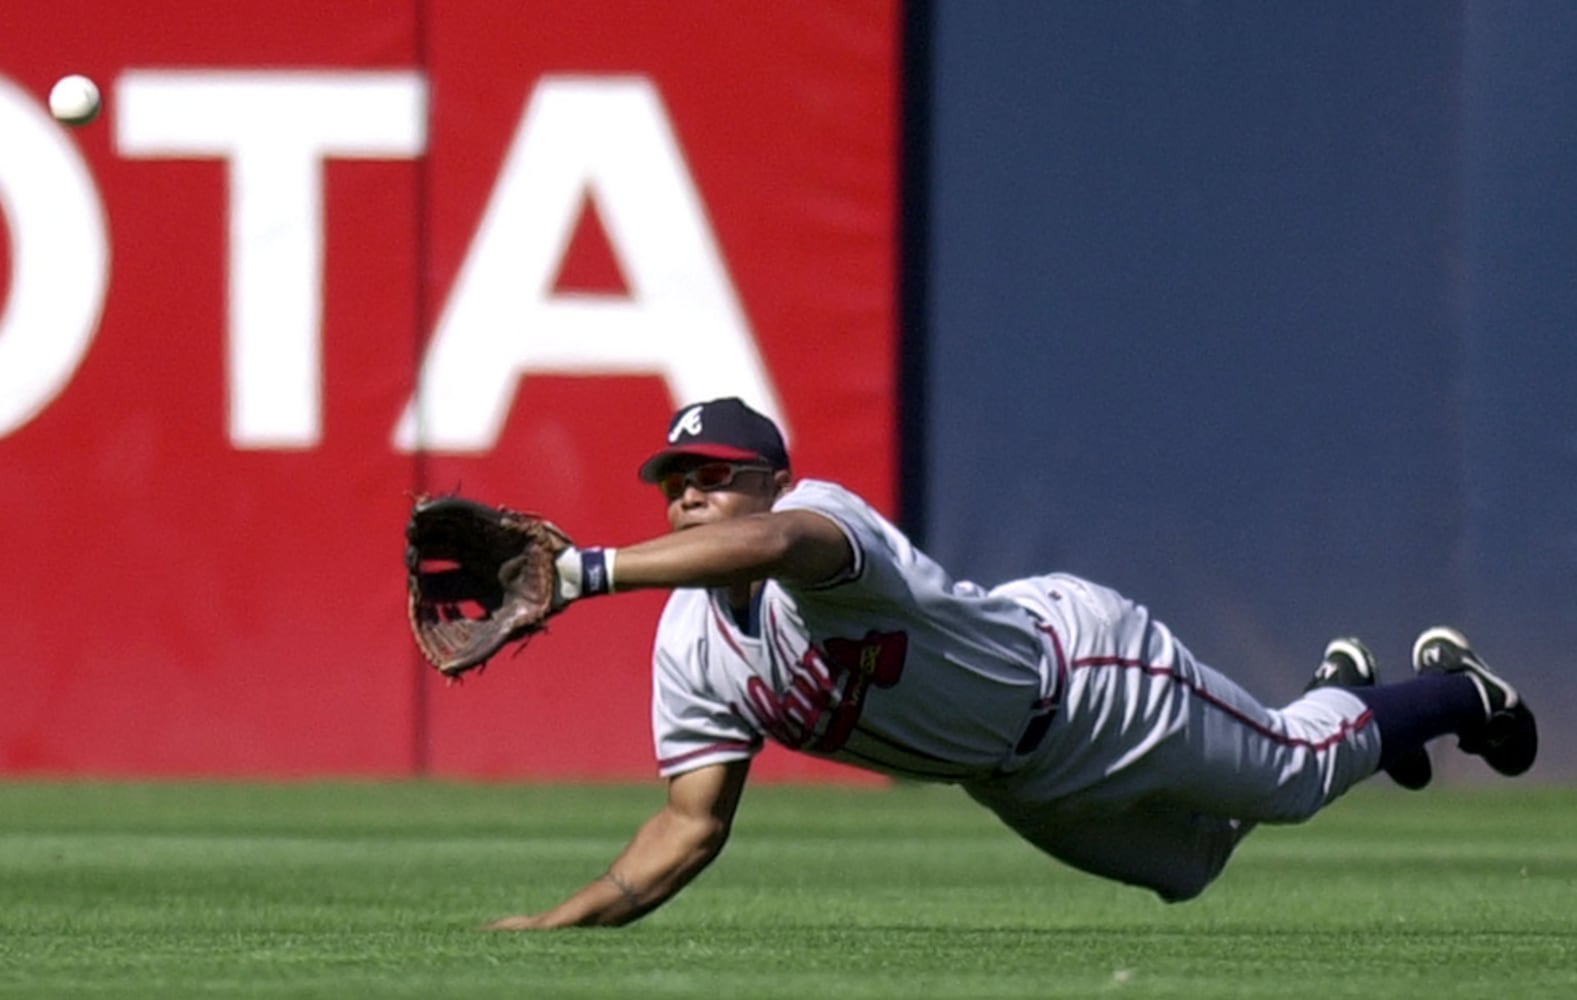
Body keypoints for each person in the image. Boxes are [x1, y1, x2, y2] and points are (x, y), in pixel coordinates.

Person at [484, 396, 1538, 930]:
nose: (689, 495)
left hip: (1088, 680)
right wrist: (558, 926)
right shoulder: (690, 646)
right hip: (1013, 778)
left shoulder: (817, 521)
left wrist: (584, 570)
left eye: (714, 476)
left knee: (1294, 781)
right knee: (1192, 869)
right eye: (675, 479)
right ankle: (1346, 699)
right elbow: (690, 821)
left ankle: (1451, 693)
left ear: (771, 480)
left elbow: (770, 546)